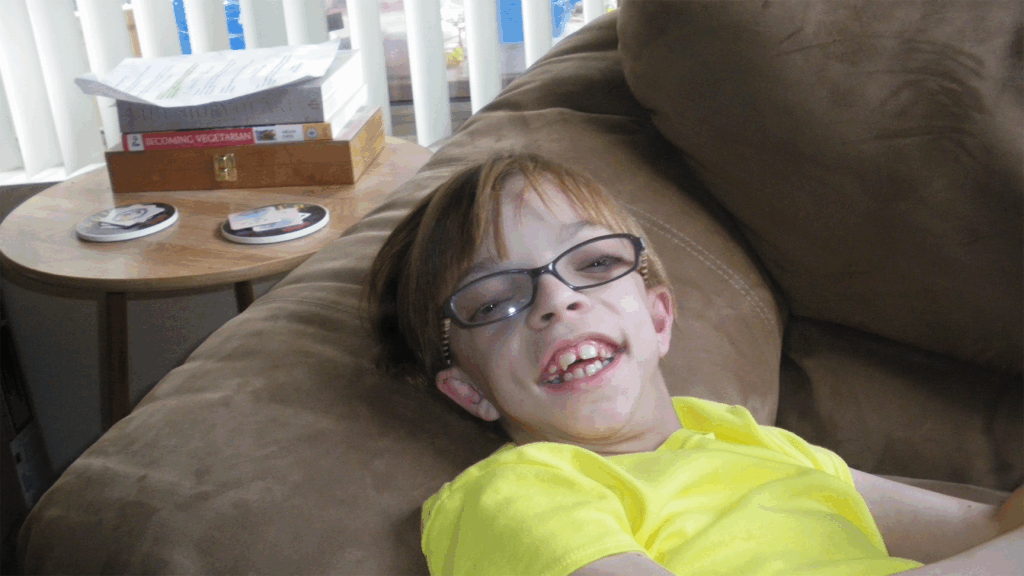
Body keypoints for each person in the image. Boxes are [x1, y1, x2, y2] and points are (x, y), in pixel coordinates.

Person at [364, 152, 1022, 576]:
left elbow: (986, 528)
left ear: (658, 319)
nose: (557, 301)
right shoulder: (514, 493)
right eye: (494, 299)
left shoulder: (750, 442)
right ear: (468, 391)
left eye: (594, 263)